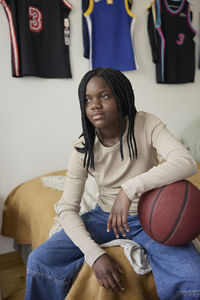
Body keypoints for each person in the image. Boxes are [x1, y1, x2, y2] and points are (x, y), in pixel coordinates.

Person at [25, 67, 200, 300]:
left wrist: (130, 189)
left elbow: (187, 162)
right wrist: (94, 254)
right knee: (39, 260)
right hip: (104, 218)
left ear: (121, 97)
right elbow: (67, 209)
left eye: (104, 96)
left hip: (152, 219)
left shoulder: (146, 123)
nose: (95, 104)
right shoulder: (82, 149)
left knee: (194, 278)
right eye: (88, 100)